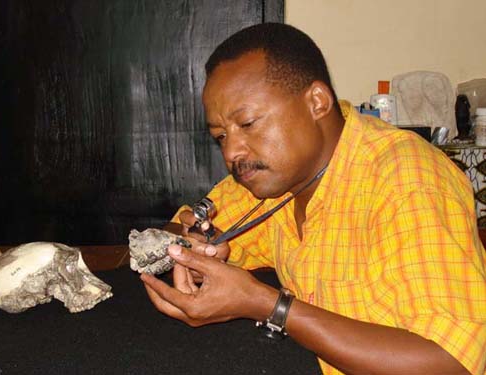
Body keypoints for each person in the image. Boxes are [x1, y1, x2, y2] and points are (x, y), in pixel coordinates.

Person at [140, 23, 486, 375]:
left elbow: (449, 363)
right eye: (220, 136)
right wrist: (190, 248)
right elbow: (186, 226)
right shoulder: (276, 176)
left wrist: (269, 306)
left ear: (317, 102)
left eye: (247, 124)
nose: (232, 152)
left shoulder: (409, 181)